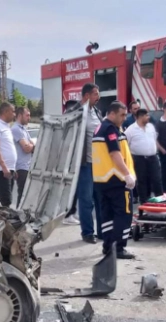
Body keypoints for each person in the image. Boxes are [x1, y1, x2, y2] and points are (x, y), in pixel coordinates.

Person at [93, 101, 136, 259]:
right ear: (112, 113)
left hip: (102, 180)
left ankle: (108, 247)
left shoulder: (100, 128)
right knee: (124, 214)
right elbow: (114, 154)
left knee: (108, 215)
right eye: (122, 115)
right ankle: (118, 248)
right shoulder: (110, 129)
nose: (125, 118)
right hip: (116, 179)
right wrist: (126, 174)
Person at [62, 83, 102, 244]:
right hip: (84, 163)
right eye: (95, 95)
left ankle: (102, 231)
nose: (98, 98)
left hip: (99, 163)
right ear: (86, 96)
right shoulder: (74, 112)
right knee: (86, 200)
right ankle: (87, 232)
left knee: (99, 199)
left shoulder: (97, 112)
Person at [125, 108, 162, 203]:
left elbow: (154, 139)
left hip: (153, 158)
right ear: (140, 117)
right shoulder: (131, 129)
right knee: (142, 181)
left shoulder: (151, 127)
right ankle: (144, 202)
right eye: (146, 116)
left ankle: (161, 201)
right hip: (139, 159)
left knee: (156, 180)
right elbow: (125, 144)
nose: (148, 117)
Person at [0, 102, 18, 207]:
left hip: (8, 169)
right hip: (1, 170)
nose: (14, 114)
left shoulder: (5, 126)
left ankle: (7, 221)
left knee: (8, 200)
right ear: (5, 112)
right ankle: (4, 222)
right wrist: (4, 167)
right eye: (13, 111)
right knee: (6, 201)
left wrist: (13, 168)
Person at [12, 106, 35, 207]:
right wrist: (32, 146)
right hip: (21, 167)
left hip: (27, 166)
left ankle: (24, 217)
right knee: (22, 195)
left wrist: (31, 146)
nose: (29, 118)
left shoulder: (23, 129)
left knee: (27, 195)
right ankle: (18, 217)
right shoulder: (16, 129)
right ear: (20, 115)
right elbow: (26, 148)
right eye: (27, 115)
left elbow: (31, 145)